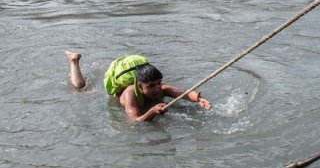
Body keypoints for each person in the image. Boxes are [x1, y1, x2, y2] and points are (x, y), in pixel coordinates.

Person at [65, 51, 211, 122]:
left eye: (158, 83)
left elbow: (183, 93)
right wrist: (152, 112)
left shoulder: (162, 88)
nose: (157, 88)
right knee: (79, 88)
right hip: (117, 94)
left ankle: (103, 66)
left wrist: (198, 99)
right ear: (139, 87)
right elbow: (135, 120)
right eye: (151, 86)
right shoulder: (130, 95)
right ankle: (74, 61)